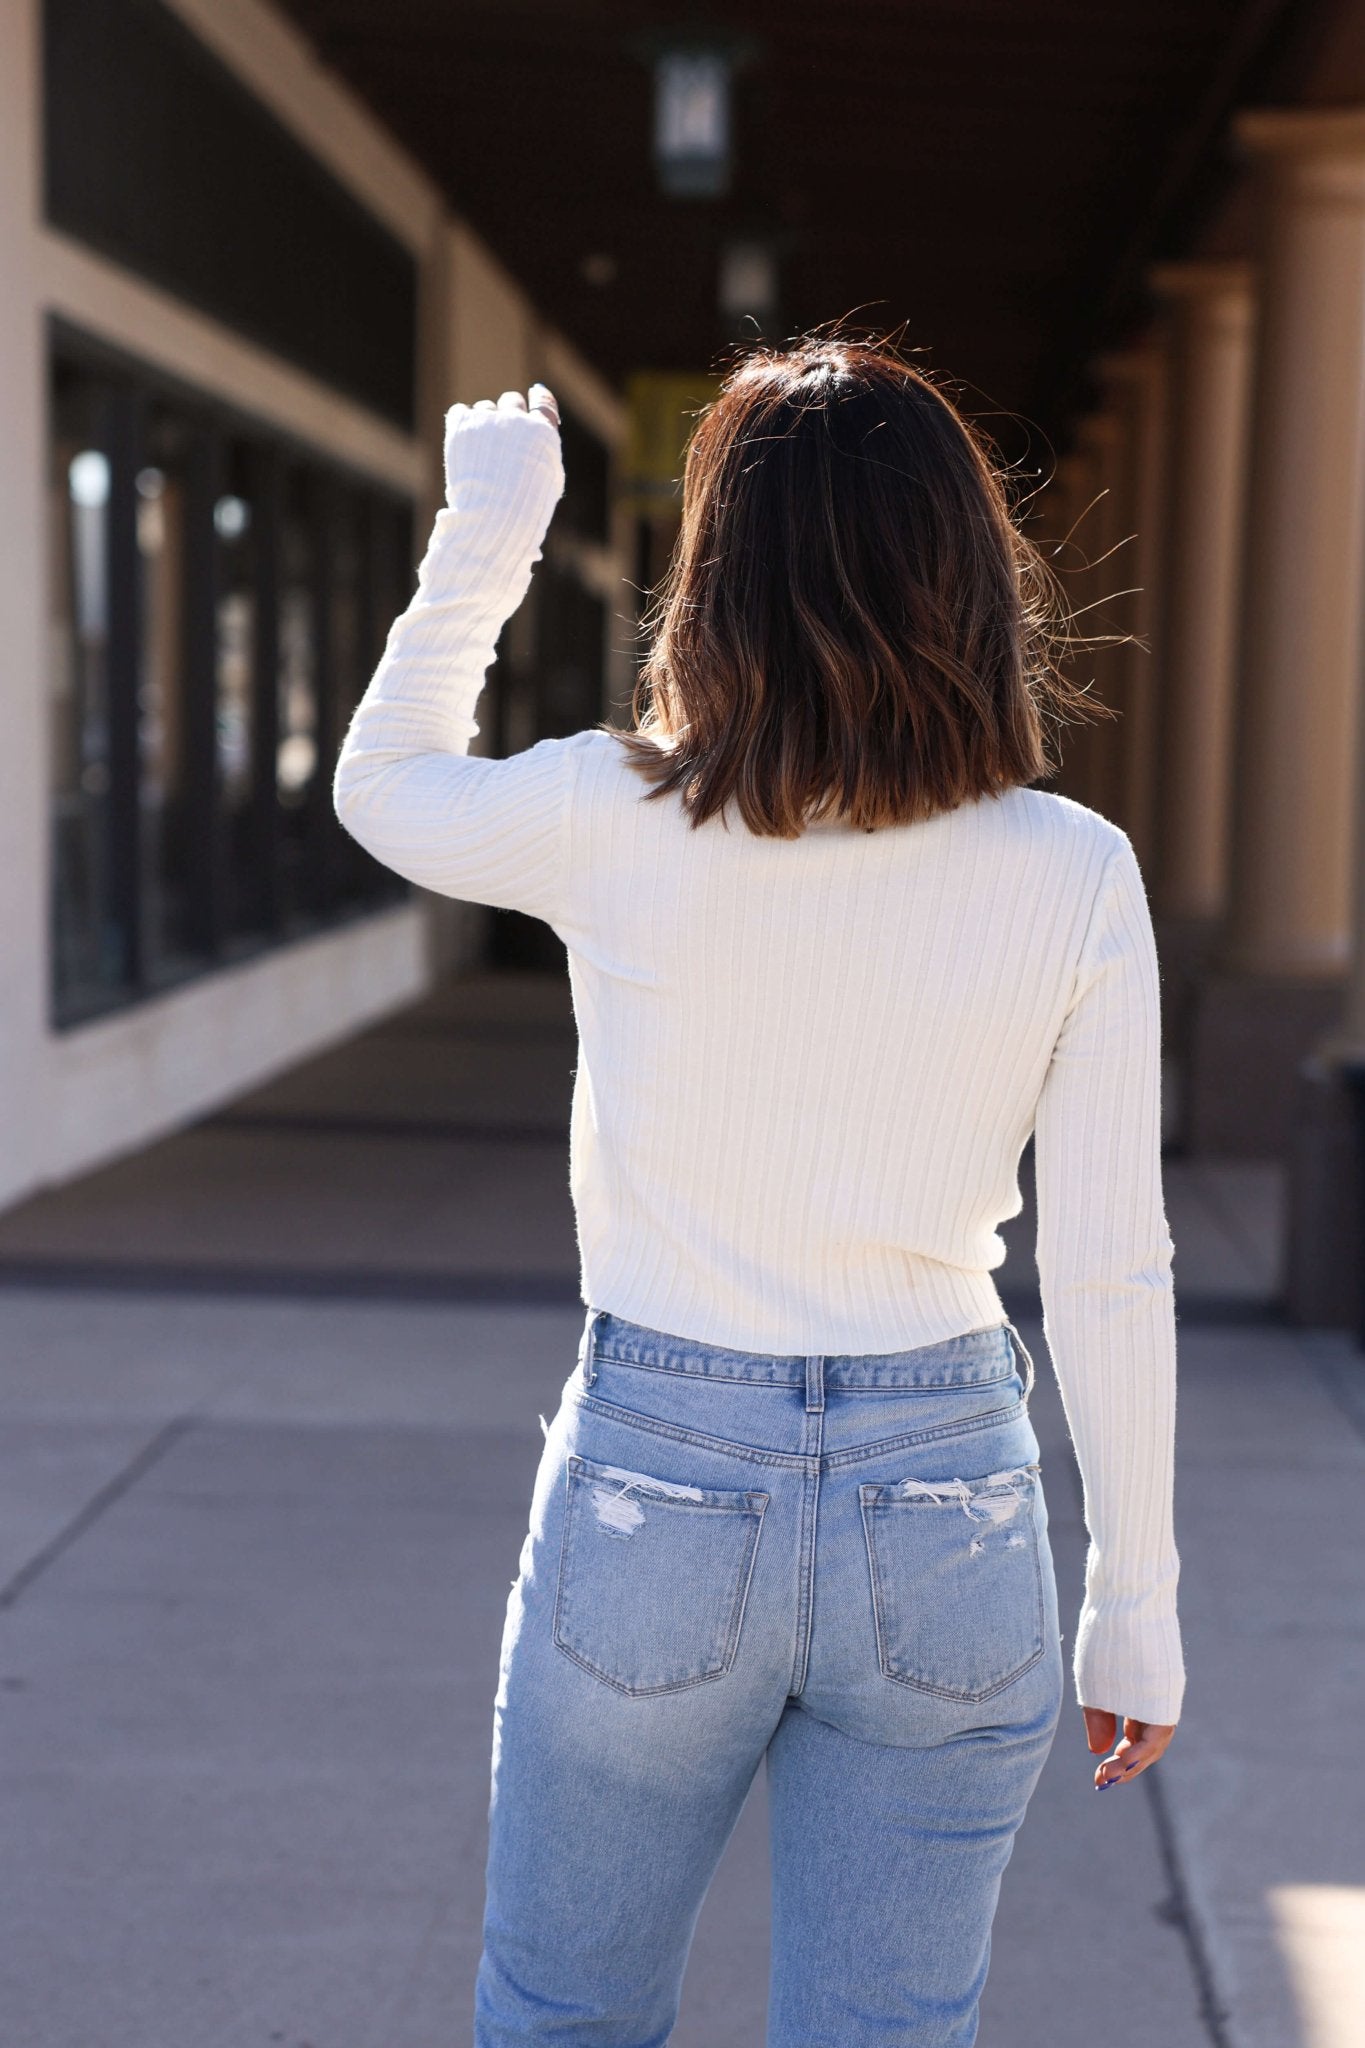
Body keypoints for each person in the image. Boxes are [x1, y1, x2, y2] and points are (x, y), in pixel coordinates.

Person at [332, 333, 1184, 2047]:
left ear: (712, 570)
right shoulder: (1072, 870)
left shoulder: (613, 811)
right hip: (952, 1501)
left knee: (563, 2014)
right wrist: (1134, 1611)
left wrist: (485, 541)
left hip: (659, 1471)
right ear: (967, 578)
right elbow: (1109, 1267)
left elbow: (386, 790)